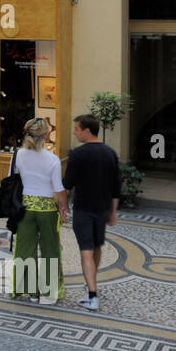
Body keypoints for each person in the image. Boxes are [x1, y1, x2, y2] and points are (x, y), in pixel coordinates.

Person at [63, 114, 121, 312]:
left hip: (84, 210)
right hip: (103, 209)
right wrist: (113, 213)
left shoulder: (78, 154)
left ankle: (92, 295)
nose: (75, 132)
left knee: (85, 250)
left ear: (87, 131)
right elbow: (116, 187)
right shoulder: (111, 153)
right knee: (96, 247)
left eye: (77, 129)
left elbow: (67, 185)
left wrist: (62, 207)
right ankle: (91, 287)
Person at [11, 117, 67, 304]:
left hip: (25, 208)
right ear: (44, 135)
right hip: (47, 209)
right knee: (51, 249)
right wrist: (63, 208)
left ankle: (28, 291)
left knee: (24, 249)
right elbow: (59, 188)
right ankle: (50, 291)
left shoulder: (17, 155)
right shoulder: (52, 159)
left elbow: (9, 179)